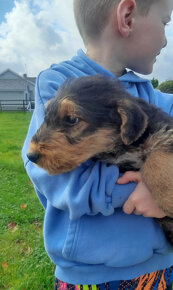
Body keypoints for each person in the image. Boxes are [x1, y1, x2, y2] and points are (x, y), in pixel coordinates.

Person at [22, 0, 173, 289]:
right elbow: (60, 179)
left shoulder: (156, 98)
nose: (166, 40)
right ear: (127, 17)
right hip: (89, 274)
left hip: (159, 269)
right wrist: (150, 188)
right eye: (165, 23)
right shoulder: (57, 83)